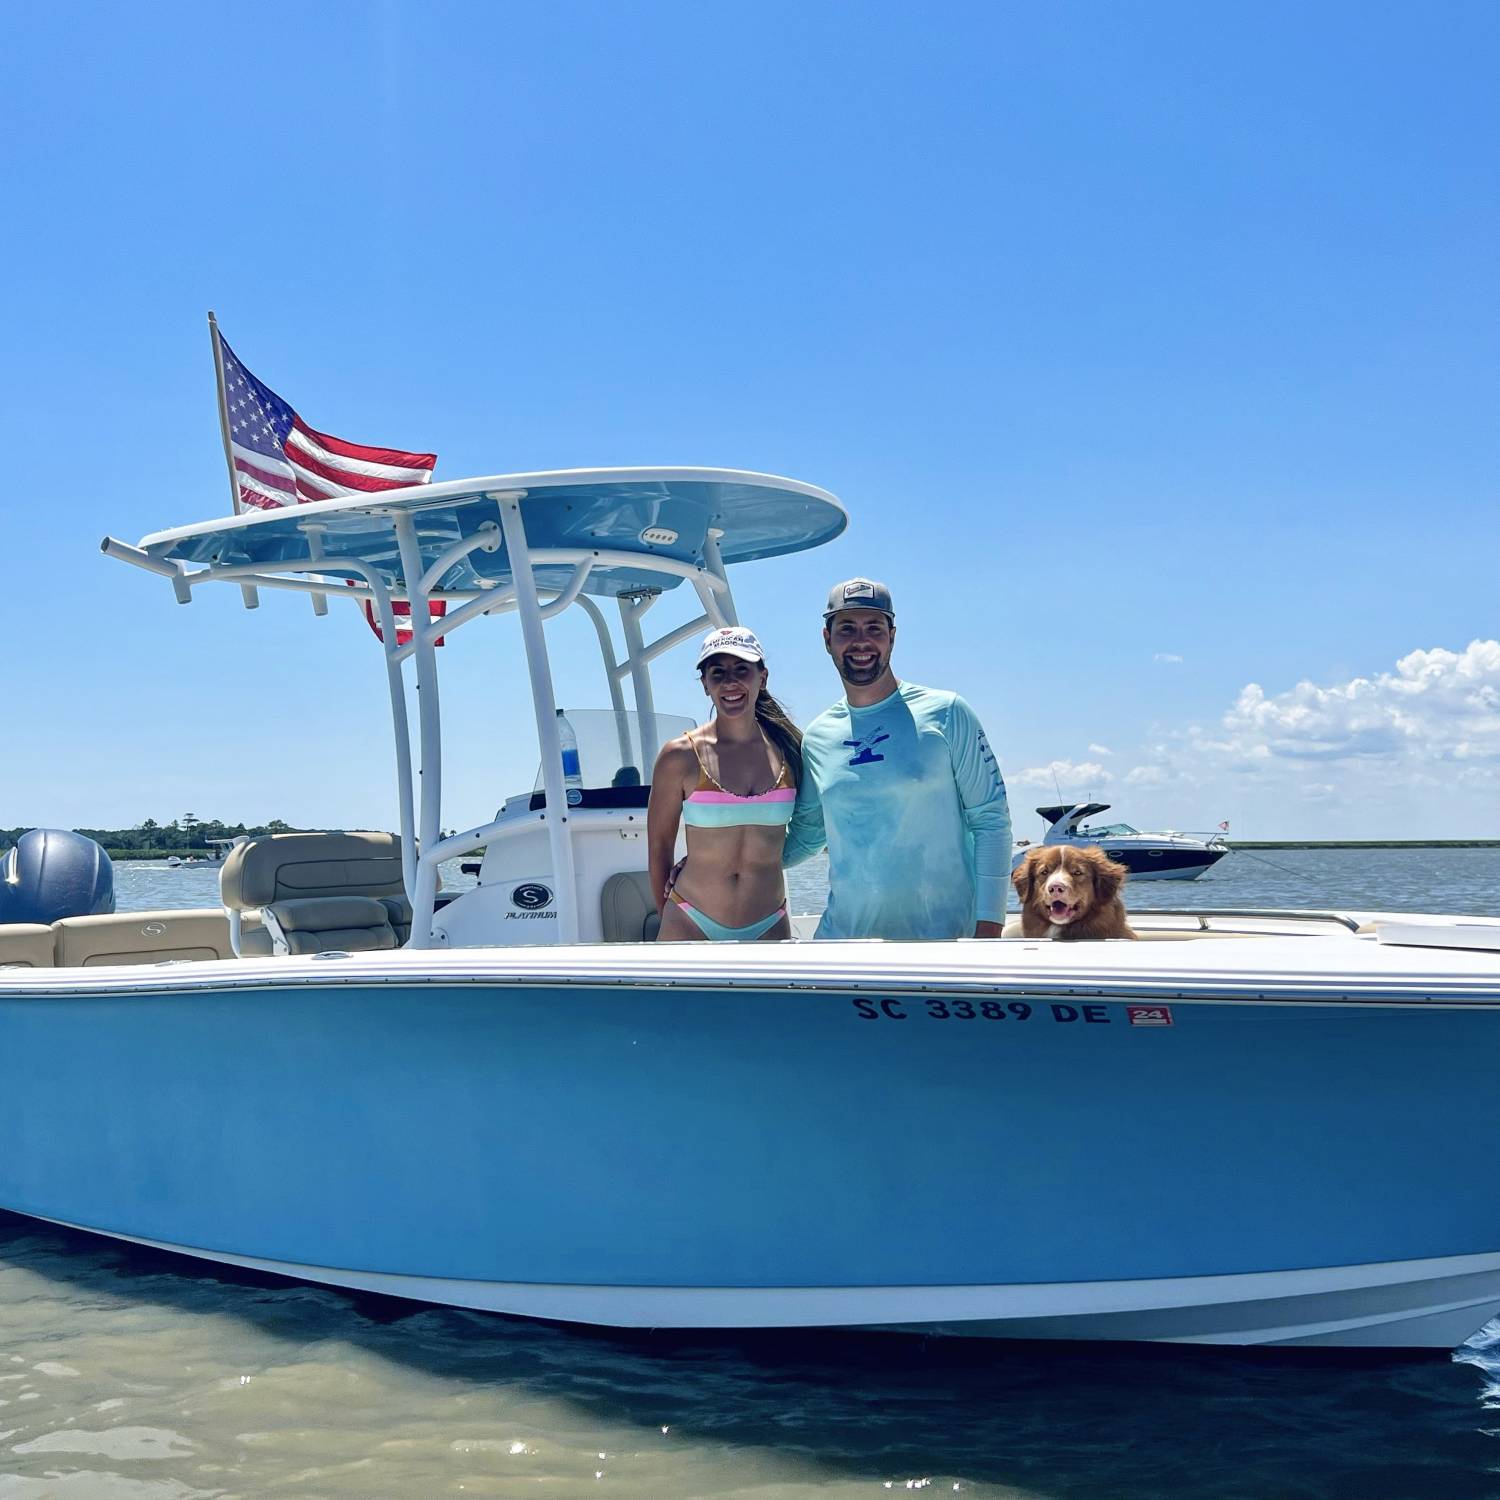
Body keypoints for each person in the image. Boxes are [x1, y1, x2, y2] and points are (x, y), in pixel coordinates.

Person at [783, 578, 1011, 940]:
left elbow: (991, 821)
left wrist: (988, 928)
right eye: (847, 628)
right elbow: (807, 835)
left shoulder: (948, 712)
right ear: (827, 638)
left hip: (943, 945)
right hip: (841, 949)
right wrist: (725, 859)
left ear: (892, 635)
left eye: (874, 628)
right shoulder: (817, 736)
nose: (861, 641)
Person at [647, 626, 802, 941]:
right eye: (718, 673)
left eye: (741, 669)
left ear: (763, 676)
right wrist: (668, 913)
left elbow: (814, 827)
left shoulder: (792, 750)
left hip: (769, 922)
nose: (730, 682)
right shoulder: (679, 756)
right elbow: (659, 847)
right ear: (705, 684)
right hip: (690, 920)